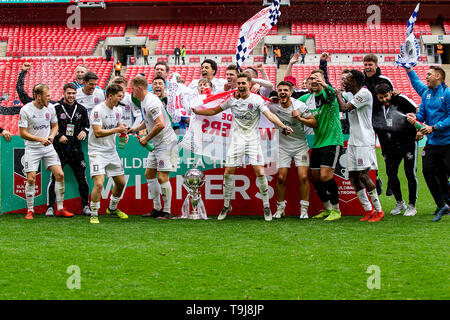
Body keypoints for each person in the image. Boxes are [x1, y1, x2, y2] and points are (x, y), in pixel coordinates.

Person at [192, 73, 293, 221]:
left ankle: (266, 206)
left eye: (243, 83)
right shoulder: (232, 99)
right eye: (238, 83)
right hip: (236, 141)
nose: (240, 86)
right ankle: (227, 205)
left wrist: (283, 126)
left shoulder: (256, 99)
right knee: (228, 172)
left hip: (253, 141)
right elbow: (215, 111)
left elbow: (269, 116)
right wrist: (198, 111)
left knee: (260, 172)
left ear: (250, 84)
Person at [18, 84, 74, 220]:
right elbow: (22, 133)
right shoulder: (26, 110)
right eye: (47, 96)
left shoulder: (50, 108)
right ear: (38, 96)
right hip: (32, 148)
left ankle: (60, 208)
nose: (49, 98)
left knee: (60, 175)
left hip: (48, 147)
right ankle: (30, 210)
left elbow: (55, 126)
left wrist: (51, 137)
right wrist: (39, 139)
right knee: (31, 179)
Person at [336, 70, 384, 222]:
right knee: (353, 175)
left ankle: (379, 210)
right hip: (353, 140)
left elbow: (344, 108)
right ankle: (368, 210)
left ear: (355, 82)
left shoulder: (364, 94)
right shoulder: (352, 94)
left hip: (365, 140)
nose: (344, 82)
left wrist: (338, 94)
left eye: (347, 80)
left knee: (364, 174)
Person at [129, 76, 179, 220]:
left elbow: (160, 124)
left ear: (139, 88)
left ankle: (167, 211)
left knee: (163, 177)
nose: (131, 92)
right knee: (149, 174)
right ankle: (157, 208)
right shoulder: (145, 100)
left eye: (132, 89)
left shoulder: (151, 102)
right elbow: (148, 121)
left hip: (166, 143)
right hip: (157, 144)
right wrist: (134, 129)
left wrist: (146, 138)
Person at [405, 65, 450, 222]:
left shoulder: (447, 93)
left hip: (447, 142)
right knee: (428, 172)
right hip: (432, 143)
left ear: (438, 76)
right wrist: (415, 117)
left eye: (429, 74)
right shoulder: (427, 94)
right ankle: (442, 205)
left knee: (444, 177)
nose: (426, 76)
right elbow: (423, 113)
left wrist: (435, 127)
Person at [299, 69, 344, 221]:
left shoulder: (328, 95)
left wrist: (325, 85)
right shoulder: (307, 98)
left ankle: (336, 211)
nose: (314, 80)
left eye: (317, 78)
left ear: (323, 81)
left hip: (332, 140)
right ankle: (327, 208)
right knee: (315, 176)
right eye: (311, 78)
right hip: (318, 142)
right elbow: (291, 101)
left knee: (325, 176)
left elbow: (332, 94)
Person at [269, 81, 317, 219]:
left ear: (291, 92)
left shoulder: (300, 106)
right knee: (281, 177)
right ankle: (280, 208)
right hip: (282, 147)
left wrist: (300, 118)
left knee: (303, 177)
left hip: (300, 146)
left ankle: (304, 209)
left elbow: (314, 122)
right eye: (280, 90)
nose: (282, 92)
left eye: (285, 90)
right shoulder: (272, 105)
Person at [374, 83, 420, 217]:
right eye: (380, 97)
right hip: (390, 145)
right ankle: (399, 202)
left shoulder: (401, 99)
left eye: (386, 96)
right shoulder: (377, 106)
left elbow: (418, 110)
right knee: (391, 173)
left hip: (408, 142)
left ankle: (412, 205)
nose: (384, 100)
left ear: (391, 93)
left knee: (410, 173)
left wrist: (418, 127)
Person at [46, 83, 91, 217]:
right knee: (54, 178)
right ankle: (50, 207)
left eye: (73, 93)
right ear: (64, 93)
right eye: (69, 93)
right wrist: (59, 136)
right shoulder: (55, 108)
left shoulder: (81, 109)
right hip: (59, 149)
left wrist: (84, 131)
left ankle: (85, 206)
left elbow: (87, 125)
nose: (71, 96)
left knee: (82, 178)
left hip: (76, 149)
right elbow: (49, 126)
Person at [87, 84, 129, 224]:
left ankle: (112, 208)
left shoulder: (118, 110)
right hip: (97, 151)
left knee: (121, 183)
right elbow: (98, 132)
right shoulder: (98, 110)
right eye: (119, 96)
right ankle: (94, 213)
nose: (121, 99)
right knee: (99, 184)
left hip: (111, 151)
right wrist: (117, 130)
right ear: (110, 96)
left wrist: (124, 134)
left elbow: (120, 128)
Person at [363, 53, 395, 196]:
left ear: (376, 65)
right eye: (365, 64)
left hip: (382, 122)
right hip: (365, 123)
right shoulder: (360, 80)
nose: (368, 67)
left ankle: (391, 181)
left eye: (370, 65)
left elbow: (392, 101)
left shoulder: (384, 80)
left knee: (387, 153)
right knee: (367, 153)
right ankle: (375, 179)